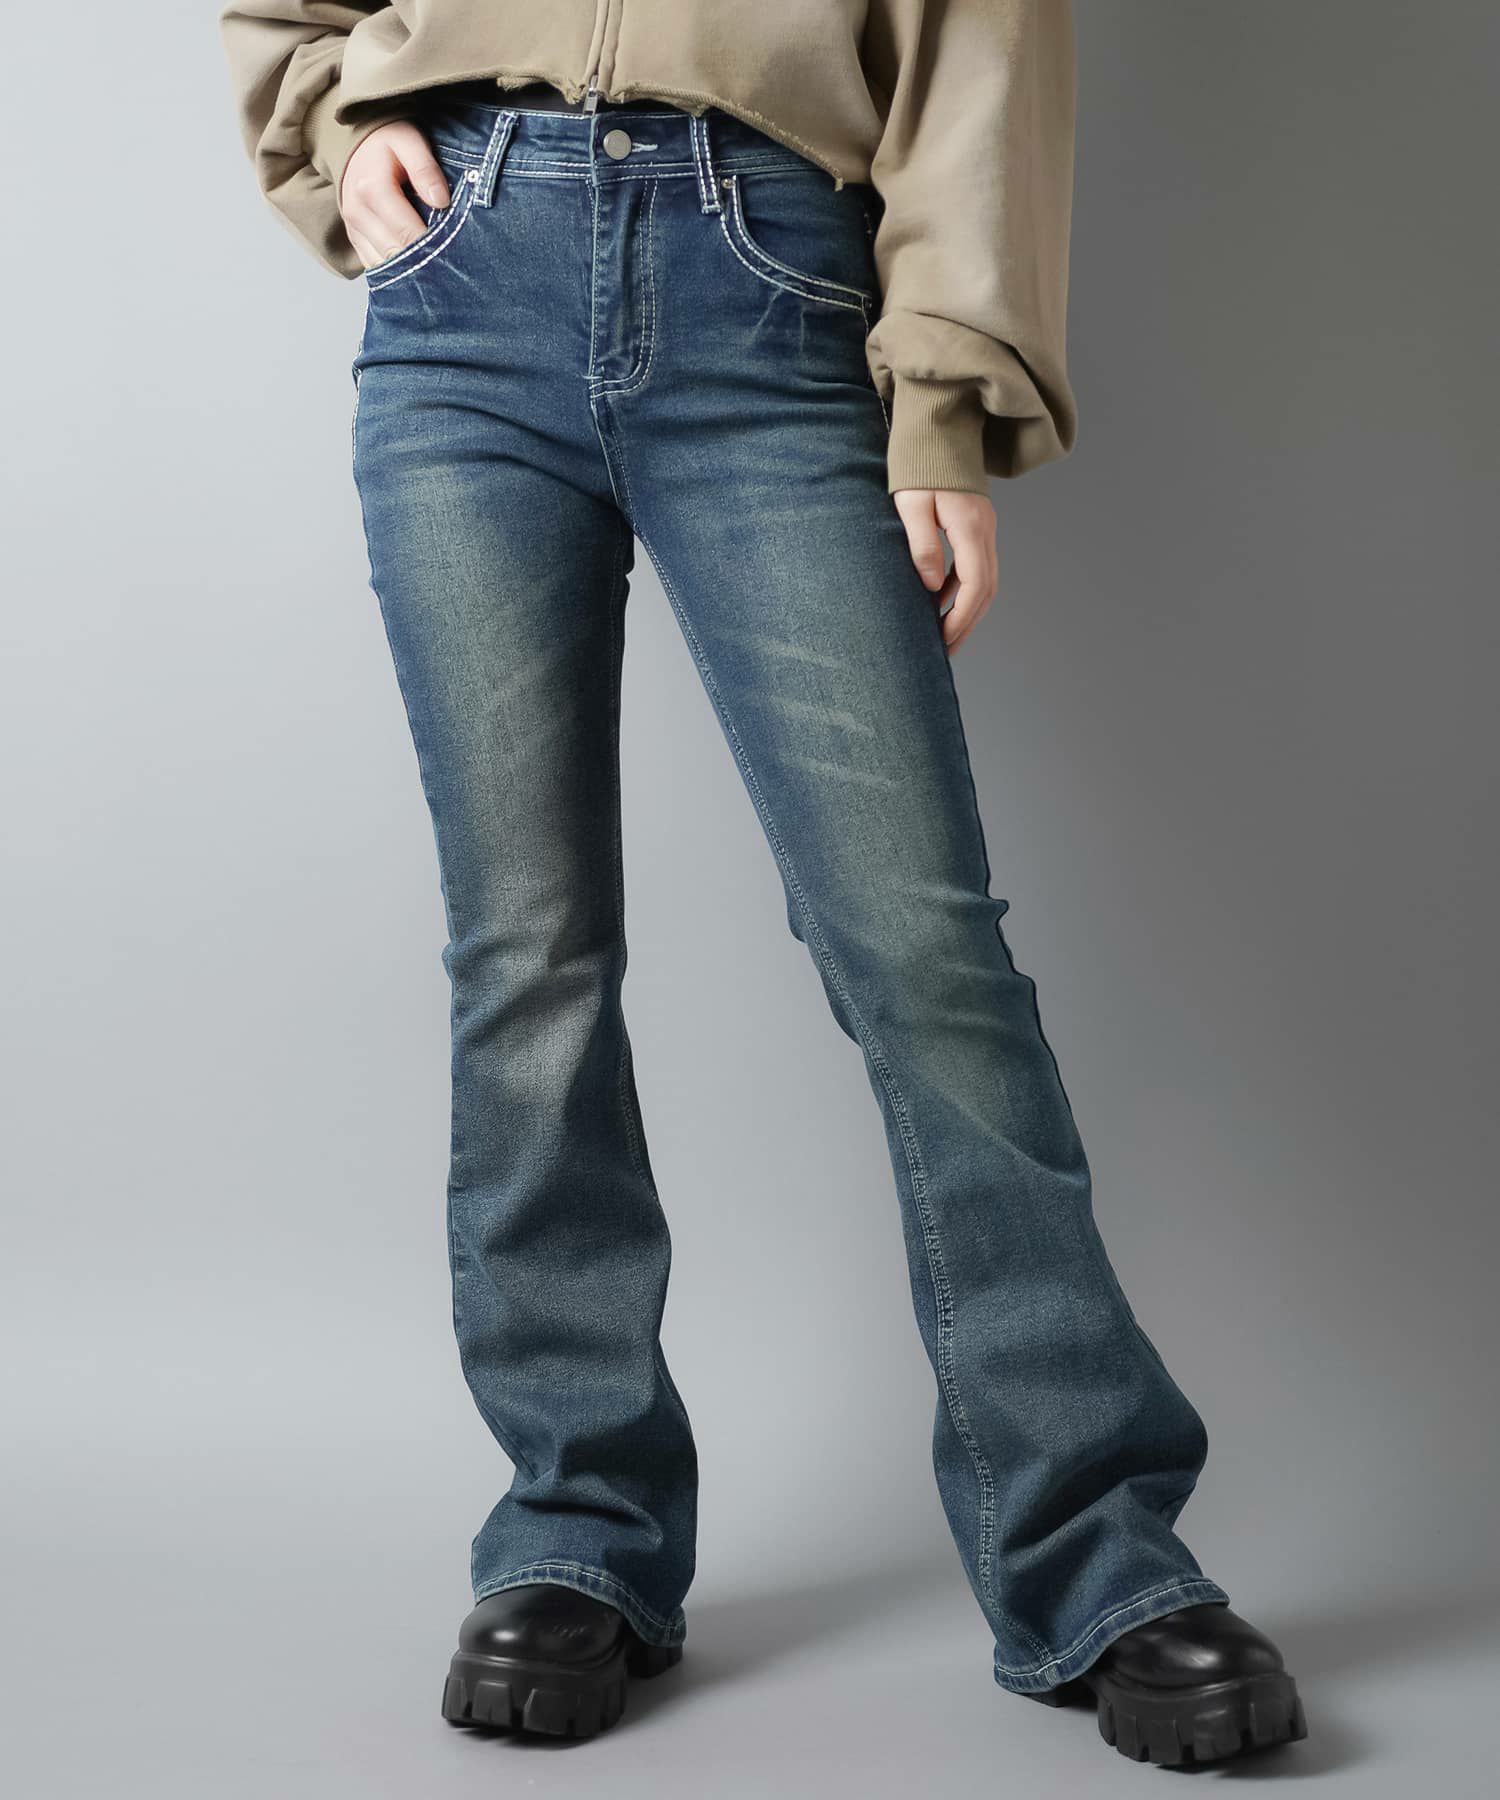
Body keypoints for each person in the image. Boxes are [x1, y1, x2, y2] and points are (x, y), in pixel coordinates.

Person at [217, 1, 1308, 1766]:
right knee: (527, 955)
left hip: (776, 279)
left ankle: (1097, 1552)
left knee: (921, 954)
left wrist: (941, 401)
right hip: (462, 291)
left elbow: (979, 46)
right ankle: (578, 1524)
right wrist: (340, 122)